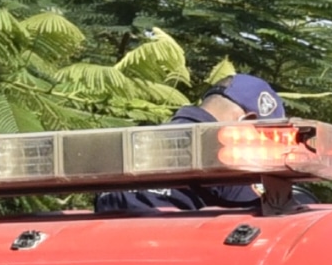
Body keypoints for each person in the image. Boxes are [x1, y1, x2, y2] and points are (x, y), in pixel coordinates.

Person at [96, 74, 290, 216]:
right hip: (175, 261)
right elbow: (275, 210)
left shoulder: (126, 147)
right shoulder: (226, 152)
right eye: (266, 137)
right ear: (247, 122)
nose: (264, 148)